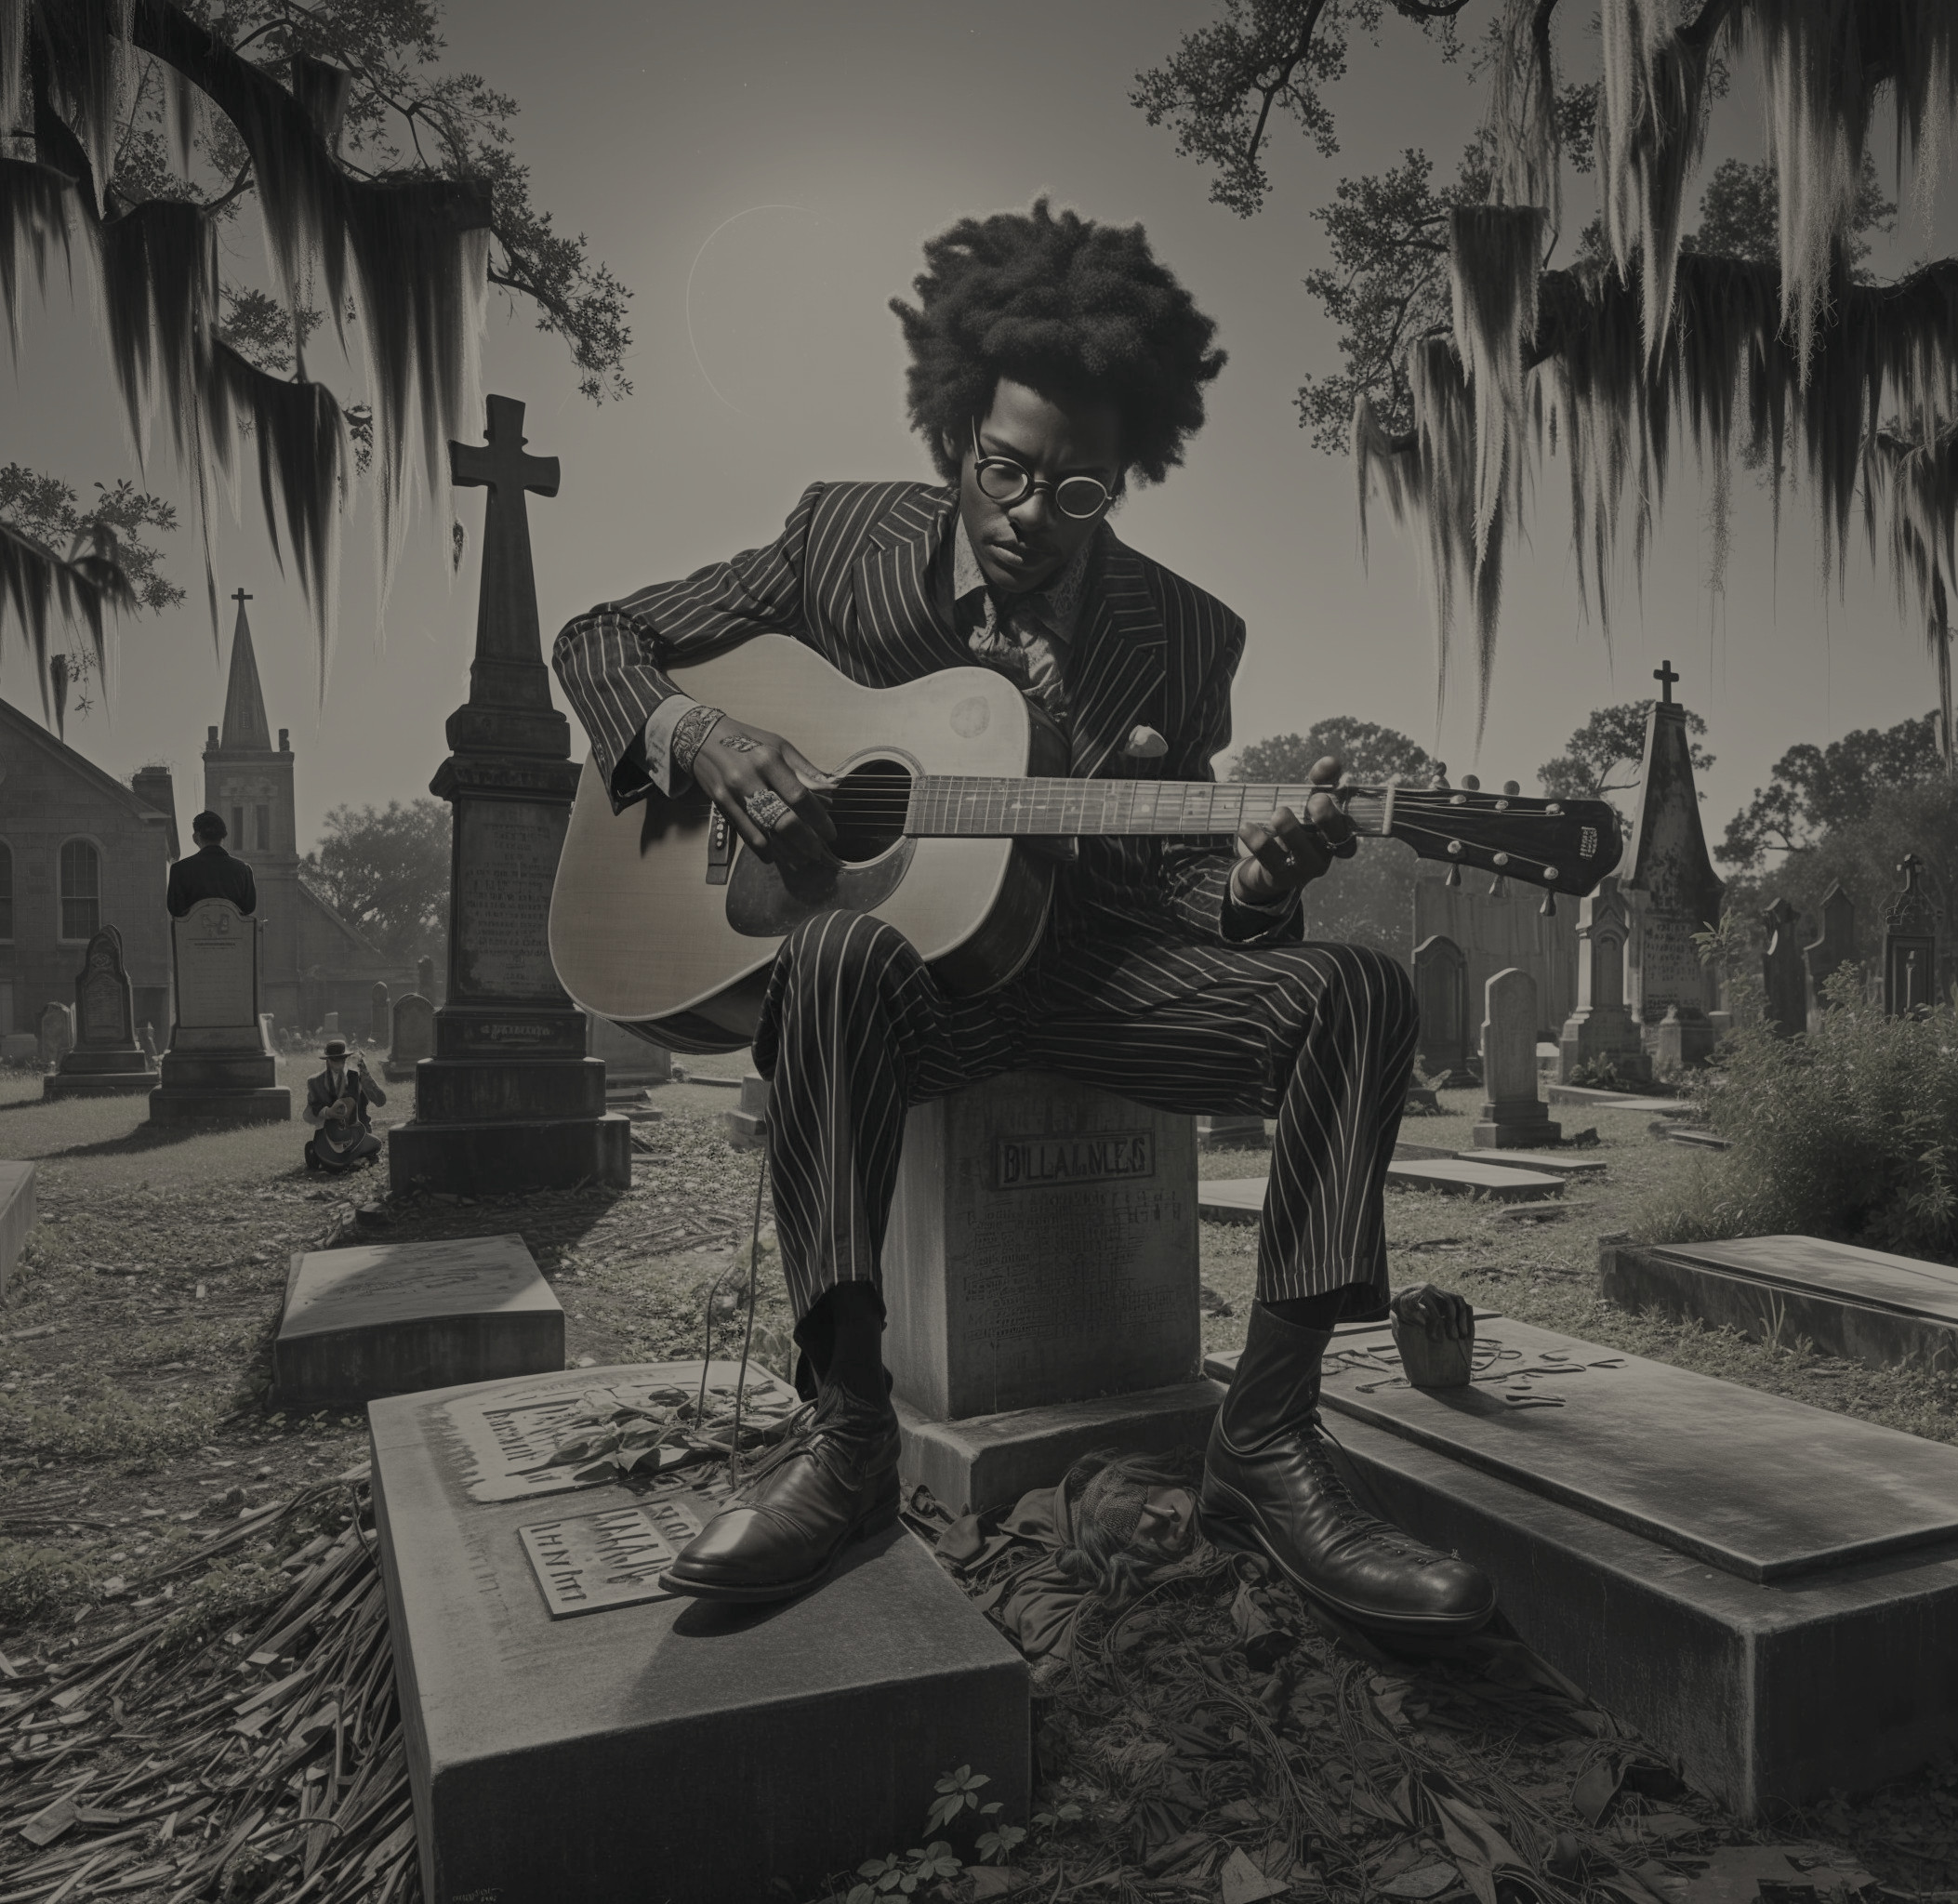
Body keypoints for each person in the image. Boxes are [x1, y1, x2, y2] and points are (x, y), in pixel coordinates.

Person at [548, 203, 1491, 1638]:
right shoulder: (840, 540)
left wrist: (1255, 875)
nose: (1028, 517)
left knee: (1357, 991)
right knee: (845, 945)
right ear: (956, 440)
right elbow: (598, 639)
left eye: (1080, 493)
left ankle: (1270, 1440)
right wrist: (698, 735)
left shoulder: (1187, 636)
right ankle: (851, 1442)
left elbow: (1188, 899)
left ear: (1128, 482)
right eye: (1006, 471)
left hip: (1100, 981)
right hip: (914, 999)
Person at [304, 1041, 386, 1171]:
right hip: (329, 1132)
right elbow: (311, 1110)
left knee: (375, 1145)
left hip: (357, 1132)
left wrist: (366, 1076)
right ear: (328, 1060)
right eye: (335, 1060)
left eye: (342, 1059)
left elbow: (380, 1101)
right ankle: (329, 1157)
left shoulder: (356, 1076)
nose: (339, 1064)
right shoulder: (315, 1082)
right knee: (332, 1161)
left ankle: (350, 1158)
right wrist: (328, 1112)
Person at [165, 811, 258, 918]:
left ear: (196, 837)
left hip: (192, 933)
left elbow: (175, 909)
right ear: (223, 837)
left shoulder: (179, 869)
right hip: (234, 933)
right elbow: (248, 908)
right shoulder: (244, 870)